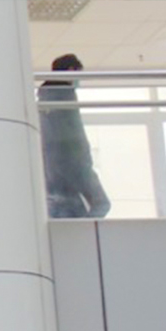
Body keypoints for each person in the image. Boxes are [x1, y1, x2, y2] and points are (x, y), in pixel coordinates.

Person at [41, 53, 111, 219]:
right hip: (73, 166)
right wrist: (84, 161)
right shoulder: (64, 97)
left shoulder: (44, 101)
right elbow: (73, 133)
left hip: (52, 178)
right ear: (71, 70)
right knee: (102, 204)